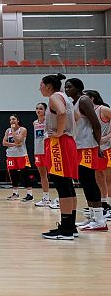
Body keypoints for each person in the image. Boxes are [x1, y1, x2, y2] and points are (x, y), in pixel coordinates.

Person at [40, 74, 80, 240]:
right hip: (69, 142)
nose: (40, 88)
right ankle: (70, 226)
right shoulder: (66, 97)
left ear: (49, 86)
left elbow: (62, 113)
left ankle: (66, 230)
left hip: (60, 143)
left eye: (41, 85)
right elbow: (76, 117)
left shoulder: (54, 97)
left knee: (62, 185)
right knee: (67, 185)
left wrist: (59, 132)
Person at [65, 78, 106, 231]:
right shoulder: (74, 103)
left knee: (89, 181)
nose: (67, 89)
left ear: (78, 88)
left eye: (69, 87)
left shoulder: (84, 100)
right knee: (85, 181)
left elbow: (96, 124)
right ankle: (92, 217)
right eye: (65, 87)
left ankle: (100, 220)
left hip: (88, 146)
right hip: (79, 146)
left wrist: (98, 144)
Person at [84, 90, 111, 219]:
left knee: (109, 178)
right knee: (98, 177)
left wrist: (108, 136)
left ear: (92, 98)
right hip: (95, 147)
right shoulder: (86, 111)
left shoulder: (103, 109)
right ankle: (103, 203)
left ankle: (109, 205)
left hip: (107, 147)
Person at [3, 114, 34, 201]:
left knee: (24, 174)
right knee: (13, 174)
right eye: (10, 119)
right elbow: (4, 143)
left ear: (18, 120)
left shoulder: (22, 129)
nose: (12, 121)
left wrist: (13, 131)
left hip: (21, 155)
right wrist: (15, 144)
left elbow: (18, 140)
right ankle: (15, 193)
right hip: (10, 156)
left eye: (13, 119)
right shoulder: (7, 130)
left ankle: (30, 194)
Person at [32, 103, 57, 209]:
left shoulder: (49, 121)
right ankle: (46, 198)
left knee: (54, 174)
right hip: (38, 151)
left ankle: (59, 197)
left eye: (41, 109)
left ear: (45, 110)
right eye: (37, 108)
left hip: (48, 150)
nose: (38, 110)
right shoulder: (35, 123)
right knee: (42, 174)